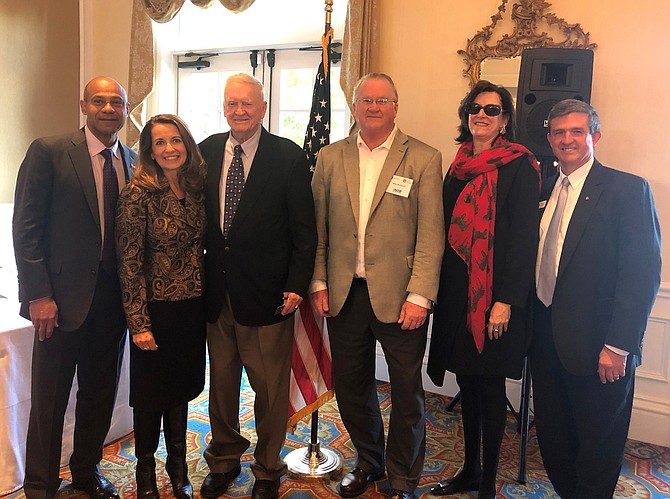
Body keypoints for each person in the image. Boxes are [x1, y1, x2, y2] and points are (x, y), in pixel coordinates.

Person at [310, 73, 444, 499]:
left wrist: (420, 294)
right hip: (344, 293)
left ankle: (403, 477)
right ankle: (368, 462)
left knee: (407, 393)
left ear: (395, 107)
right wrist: (318, 280)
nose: (372, 107)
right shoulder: (331, 157)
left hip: (402, 298)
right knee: (352, 387)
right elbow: (318, 228)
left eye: (381, 100)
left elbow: (431, 234)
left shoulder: (423, 157)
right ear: (354, 106)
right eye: (365, 100)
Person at [529, 99, 661, 498]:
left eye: (576, 131)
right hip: (547, 342)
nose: (566, 139)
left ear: (594, 136)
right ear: (549, 138)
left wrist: (619, 345)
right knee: (553, 439)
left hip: (601, 349)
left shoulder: (626, 189)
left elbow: (641, 275)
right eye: (558, 132)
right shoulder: (546, 188)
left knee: (597, 444)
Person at [12, 77, 136, 499]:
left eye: (115, 101)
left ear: (126, 108)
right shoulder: (49, 151)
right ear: (83, 105)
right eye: (98, 100)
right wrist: (39, 295)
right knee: (49, 401)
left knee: (99, 396)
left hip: (113, 305)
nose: (107, 108)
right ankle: (40, 485)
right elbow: (26, 229)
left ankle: (86, 472)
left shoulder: (133, 160)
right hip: (59, 304)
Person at [198, 73, 316, 499]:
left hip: (269, 296)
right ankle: (225, 458)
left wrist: (297, 284)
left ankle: (268, 466)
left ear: (262, 108)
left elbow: (305, 231)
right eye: (232, 104)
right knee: (223, 384)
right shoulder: (206, 150)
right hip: (216, 295)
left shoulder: (287, 157)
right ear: (224, 108)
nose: (240, 111)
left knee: (268, 389)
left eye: (248, 104)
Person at [426, 80, 540, 499]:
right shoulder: (458, 164)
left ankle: (488, 481)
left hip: (495, 299)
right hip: (458, 296)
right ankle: (469, 470)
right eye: (475, 108)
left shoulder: (521, 166)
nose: (481, 115)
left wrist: (505, 302)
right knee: (467, 387)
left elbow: (524, 239)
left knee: (489, 389)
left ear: (505, 119)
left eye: (492, 110)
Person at [115, 114, 207, 499]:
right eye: (159, 143)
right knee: (151, 397)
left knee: (181, 391)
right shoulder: (137, 194)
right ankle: (146, 474)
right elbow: (129, 262)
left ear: (186, 144)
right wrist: (138, 323)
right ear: (149, 151)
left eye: (175, 140)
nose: (169, 149)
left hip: (191, 308)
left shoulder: (196, 187)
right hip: (154, 311)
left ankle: (179, 469)